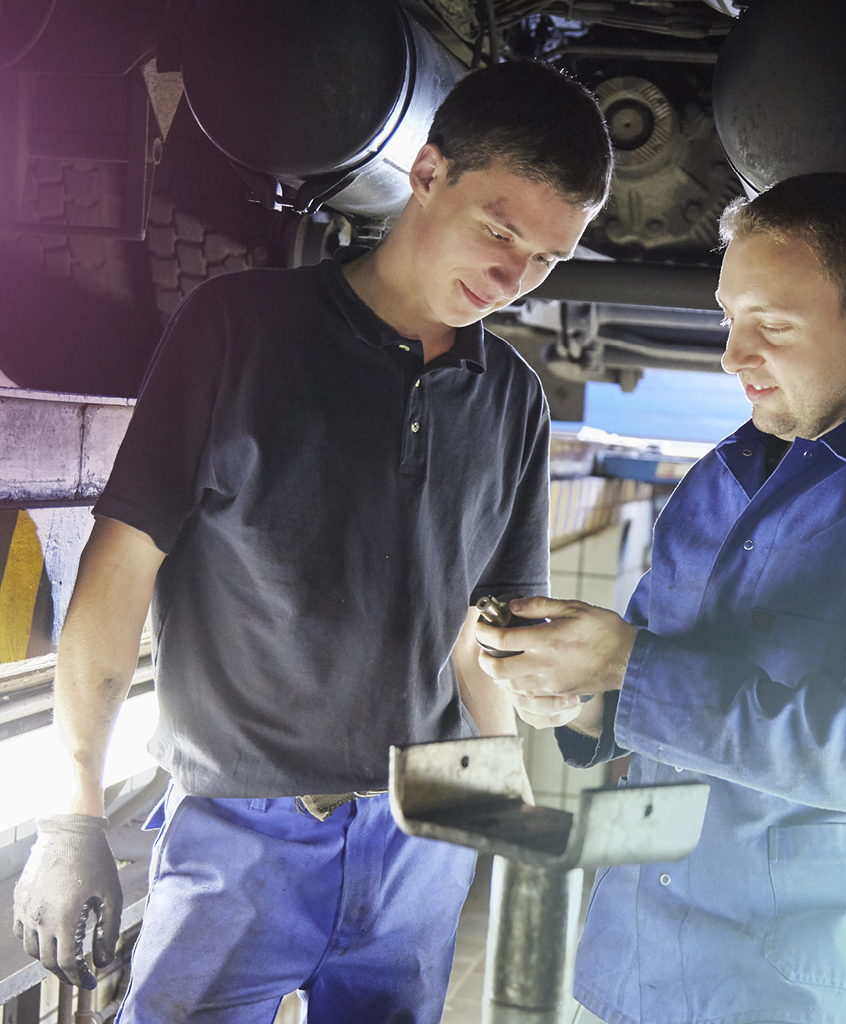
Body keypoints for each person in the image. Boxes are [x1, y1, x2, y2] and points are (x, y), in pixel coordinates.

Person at [13, 58, 612, 1024]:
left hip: (426, 831)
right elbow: (117, 577)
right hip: (241, 836)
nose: (513, 278)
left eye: (546, 260)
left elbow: (482, 634)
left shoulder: (513, 401)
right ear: (426, 174)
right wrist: (73, 810)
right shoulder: (241, 330)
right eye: (500, 232)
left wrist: (501, 799)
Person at [475, 172, 846, 1024]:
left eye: (771, 326)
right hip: (630, 968)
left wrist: (626, 660)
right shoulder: (715, 481)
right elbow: (639, 703)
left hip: (798, 991)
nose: (734, 354)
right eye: (730, 319)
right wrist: (574, 696)